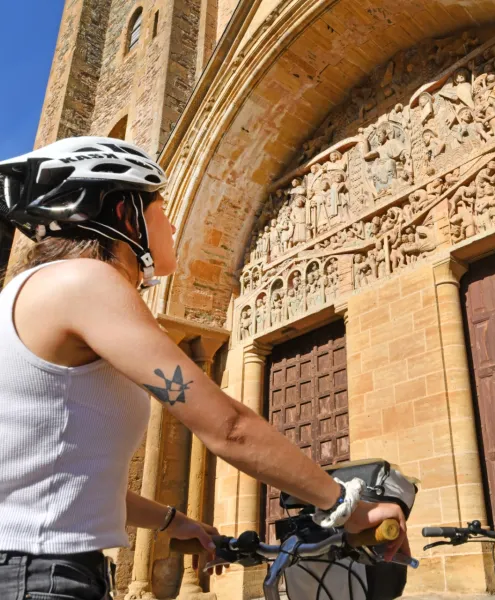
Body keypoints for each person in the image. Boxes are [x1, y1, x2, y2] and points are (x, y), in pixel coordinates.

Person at [0, 137, 408, 599]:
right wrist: (347, 506)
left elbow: (58, 481)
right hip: (39, 576)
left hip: (35, 567)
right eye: (160, 209)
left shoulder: (28, 293)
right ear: (124, 213)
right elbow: (229, 427)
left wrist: (175, 522)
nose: (172, 225)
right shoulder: (86, 281)